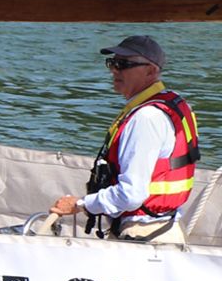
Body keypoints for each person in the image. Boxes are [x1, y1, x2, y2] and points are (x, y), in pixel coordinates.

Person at [50, 35, 200, 244]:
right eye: (112, 62)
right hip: (163, 228)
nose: (114, 70)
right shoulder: (172, 103)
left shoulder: (146, 118)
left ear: (151, 71)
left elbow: (131, 194)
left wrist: (81, 204)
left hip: (144, 236)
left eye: (123, 64)